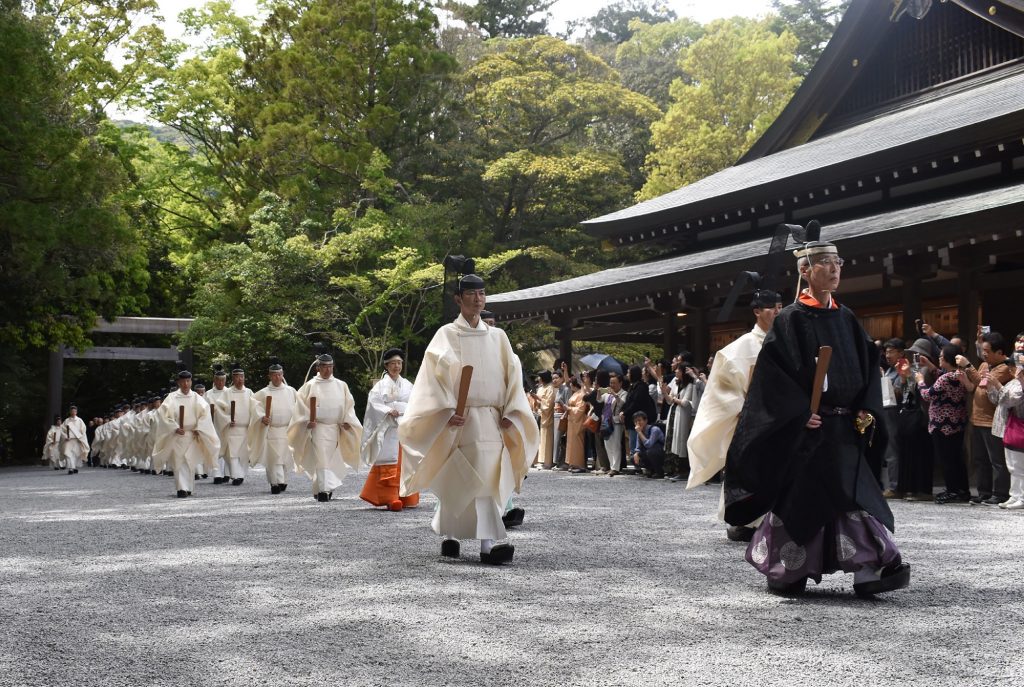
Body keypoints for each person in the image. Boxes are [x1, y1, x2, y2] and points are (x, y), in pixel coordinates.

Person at [724, 240, 909, 597]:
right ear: (805, 271)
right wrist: (797, 415)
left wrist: (866, 409)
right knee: (801, 499)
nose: (834, 269)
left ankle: (870, 568)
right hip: (808, 431)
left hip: (843, 429)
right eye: (824, 263)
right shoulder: (791, 319)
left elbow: (869, 369)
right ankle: (788, 570)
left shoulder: (847, 318)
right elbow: (772, 379)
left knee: (852, 495)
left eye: (838, 262)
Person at [398, 273, 538, 565]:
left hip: (491, 419)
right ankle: (451, 534)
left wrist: (512, 410)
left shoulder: (498, 337)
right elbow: (431, 380)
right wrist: (447, 411)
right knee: (459, 477)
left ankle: (489, 545)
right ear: (458, 299)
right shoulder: (446, 335)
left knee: (488, 478)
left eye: (482, 294)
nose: (478, 299)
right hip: (460, 420)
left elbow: (513, 376)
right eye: (472, 294)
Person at [686, 288, 781, 541]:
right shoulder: (739, 349)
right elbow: (721, 392)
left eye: (780, 307)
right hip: (750, 420)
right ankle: (744, 522)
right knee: (750, 469)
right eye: (771, 307)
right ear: (757, 311)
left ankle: (776, 519)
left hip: (781, 420)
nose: (777, 311)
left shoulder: (786, 343)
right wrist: (745, 409)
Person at [288, 352, 362, 502]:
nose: (327, 370)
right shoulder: (310, 385)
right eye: (324, 366)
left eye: (330, 366)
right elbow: (300, 406)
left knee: (331, 459)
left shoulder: (341, 385)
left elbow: (349, 405)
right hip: (318, 427)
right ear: (318, 367)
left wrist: (347, 420)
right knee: (321, 457)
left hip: (335, 427)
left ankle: (322, 487)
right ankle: (323, 491)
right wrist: (307, 419)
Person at [359, 348, 418, 510]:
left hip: (403, 426)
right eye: (393, 363)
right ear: (386, 365)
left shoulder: (407, 384)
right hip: (388, 427)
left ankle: (405, 495)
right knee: (389, 461)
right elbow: (374, 404)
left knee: (404, 462)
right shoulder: (380, 386)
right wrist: (388, 411)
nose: (396, 366)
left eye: (399, 363)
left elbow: (415, 402)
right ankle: (390, 497)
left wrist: (403, 410)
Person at [915, 344, 973, 503]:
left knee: (947, 459)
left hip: (942, 424)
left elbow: (927, 395)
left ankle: (952, 490)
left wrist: (920, 381)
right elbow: (942, 375)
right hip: (958, 423)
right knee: (957, 458)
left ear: (947, 359)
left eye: (941, 357)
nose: (939, 358)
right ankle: (962, 490)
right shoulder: (959, 374)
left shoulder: (944, 379)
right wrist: (929, 365)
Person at [962, 330, 1015, 505]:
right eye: (983, 350)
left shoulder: (1006, 367)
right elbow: (979, 380)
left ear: (1000, 353)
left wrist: (968, 365)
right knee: (980, 458)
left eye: (987, 351)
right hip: (976, 418)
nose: (984, 354)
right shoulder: (985, 365)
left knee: (997, 460)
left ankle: (1000, 493)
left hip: (992, 420)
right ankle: (983, 492)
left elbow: (981, 383)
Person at [153, 366, 220, 498]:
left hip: (191, 434)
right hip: (178, 434)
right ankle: (181, 488)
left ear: (191, 382)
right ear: (179, 382)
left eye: (188, 381)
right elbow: (164, 415)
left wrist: (199, 428)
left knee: (190, 462)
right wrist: (174, 426)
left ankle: (189, 487)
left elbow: (204, 413)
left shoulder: (196, 397)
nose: (186, 384)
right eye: (183, 381)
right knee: (179, 461)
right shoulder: (172, 397)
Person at [894, 338, 939, 501]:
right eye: (913, 352)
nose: (915, 355)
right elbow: (903, 390)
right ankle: (906, 487)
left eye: (919, 353)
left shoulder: (928, 370)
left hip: (922, 415)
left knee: (920, 454)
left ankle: (921, 489)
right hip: (908, 411)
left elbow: (921, 391)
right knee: (907, 452)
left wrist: (910, 377)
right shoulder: (912, 368)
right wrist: (904, 377)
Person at [249, 358, 297, 494]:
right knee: (273, 457)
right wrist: (261, 417)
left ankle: (284, 480)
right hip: (272, 429)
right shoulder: (263, 393)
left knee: (286, 456)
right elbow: (253, 406)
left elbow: (299, 407)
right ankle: (275, 482)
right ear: (269, 376)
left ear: (283, 375)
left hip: (287, 429)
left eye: (279, 374)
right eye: (274, 375)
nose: (277, 377)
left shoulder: (291, 391)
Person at [991, 359, 1024, 509]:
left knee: (1020, 465)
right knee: (1012, 464)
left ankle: (1022, 497)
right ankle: (1015, 495)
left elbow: (1011, 400)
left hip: (1020, 425)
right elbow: (998, 399)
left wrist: (997, 385)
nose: (1011, 370)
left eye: (1014, 367)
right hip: (1011, 425)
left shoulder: (1019, 383)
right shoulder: (1014, 382)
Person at [663, 362, 703, 482]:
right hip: (674, 413)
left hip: (683, 415)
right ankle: (674, 469)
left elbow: (685, 403)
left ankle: (683, 470)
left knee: (681, 440)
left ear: (683, 372)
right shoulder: (676, 384)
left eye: (678, 370)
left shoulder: (690, 385)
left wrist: (674, 399)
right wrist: (665, 392)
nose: (675, 371)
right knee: (673, 439)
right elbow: (670, 401)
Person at [214, 363, 253, 486]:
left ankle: (240, 474)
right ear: (233, 378)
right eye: (236, 377)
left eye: (241, 377)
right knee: (233, 454)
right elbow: (218, 408)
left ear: (244, 378)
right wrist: (227, 419)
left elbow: (255, 409)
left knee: (244, 454)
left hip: (245, 428)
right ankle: (237, 476)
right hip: (232, 428)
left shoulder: (249, 392)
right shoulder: (227, 393)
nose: (239, 379)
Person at [205, 365, 231, 484]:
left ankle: (227, 473)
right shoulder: (208, 394)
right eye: (218, 380)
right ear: (214, 381)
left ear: (225, 380)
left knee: (228, 449)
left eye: (223, 380)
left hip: (227, 425)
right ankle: (217, 474)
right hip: (213, 425)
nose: (220, 382)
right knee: (215, 448)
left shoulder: (229, 392)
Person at [603, 372, 627, 475]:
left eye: (614, 383)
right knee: (607, 443)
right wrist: (599, 392)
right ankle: (611, 465)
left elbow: (623, 403)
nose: (612, 385)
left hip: (617, 422)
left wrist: (615, 395)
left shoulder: (623, 393)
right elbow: (599, 400)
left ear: (620, 383)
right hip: (607, 421)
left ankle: (615, 468)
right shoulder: (607, 394)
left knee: (616, 444)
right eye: (610, 383)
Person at [565, 376, 589, 473]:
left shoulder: (581, 394)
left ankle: (579, 464)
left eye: (571, 382)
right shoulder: (576, 393)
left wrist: (569, 409)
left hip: (578, 420)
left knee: (577, 441)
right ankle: (572, 463)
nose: (570, 384)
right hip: (572, 420)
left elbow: (580, 409)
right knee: (571, 442)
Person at [533, 370, 556, 469]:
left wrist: (538, 399)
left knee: (546, 438)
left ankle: (546, 462)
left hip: (547, 416)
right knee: (540, 439)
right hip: (540, 414)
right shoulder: (541, 388)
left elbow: (548, 404)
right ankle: (539, 459)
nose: (538, 379)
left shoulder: (550, 388)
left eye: (539, 377)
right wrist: (536, 400)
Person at [632, 411, 665, 477]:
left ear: (646, 421)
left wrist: (640, 433)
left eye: (639, 420)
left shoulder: (654, 429)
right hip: (649, 451)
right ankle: (651, 470)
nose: (638, 423)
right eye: (636, 422)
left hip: (660, 452)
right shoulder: (639, 431)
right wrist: (636, 453)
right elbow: (638, 447)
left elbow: (649, 444)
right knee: (633, 457)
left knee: (650, 452)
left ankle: (659, 472)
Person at [60, 405, 89, 475]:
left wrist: (81, 438)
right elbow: (62, 430)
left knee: (76, 454)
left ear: (76, 412)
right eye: (72, 411)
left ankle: (75, 467)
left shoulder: (80, 420)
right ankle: (70, 468)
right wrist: (65, 436)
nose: (73, 412)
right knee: (68, 453)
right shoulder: (66, 421)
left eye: (74, 411)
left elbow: (83, 430)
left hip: (77, 440)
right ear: (70, 412)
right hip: (69, 440)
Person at [551, 365, 571, 470]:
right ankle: (557, 462)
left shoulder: (566, 389)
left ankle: (562, 462)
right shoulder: (558, 390)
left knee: (560, 440)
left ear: (562, 378)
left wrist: (565, 415)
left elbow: (567, 405)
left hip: (562, 416)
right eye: (553, 379)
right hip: (556, 416)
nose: (554, 380)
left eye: (556, 378)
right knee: (556, 441)